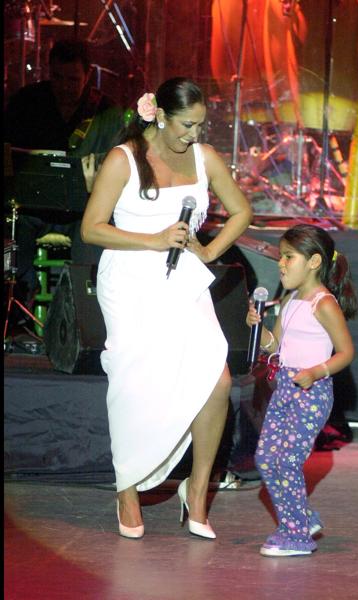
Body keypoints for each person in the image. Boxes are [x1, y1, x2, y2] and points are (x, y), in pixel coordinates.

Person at [80, 77, 253, 539]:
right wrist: (153, 240)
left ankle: (195, 492)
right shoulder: (125, 159)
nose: (193, 135)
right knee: (135, 380)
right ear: (159, 114)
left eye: (200, 125)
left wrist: (210, 252)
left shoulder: (205, 157)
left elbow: (241, 211)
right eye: (186, 125)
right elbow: (92, 229)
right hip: (130, 280)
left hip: (183, 280)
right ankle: (128, 488)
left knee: (217, 380)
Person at [246, 223, 358, 556]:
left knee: (288, 461)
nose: (280, 263)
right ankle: (302, 517)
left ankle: (296, 536)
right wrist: (260, 329)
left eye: (288, 257)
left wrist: (316, 371)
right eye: (281, 256)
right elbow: (275, 346)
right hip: (284, 388)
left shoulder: (324, 304)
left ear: (313, 262)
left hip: (311, 393)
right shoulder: (291, 299)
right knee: (266, 459)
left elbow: (346, 351)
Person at [4, 39, 125, 306]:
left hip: (84, 214)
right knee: (12, 250)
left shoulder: (108, 113)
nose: (65, 87)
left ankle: (83, 318)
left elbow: (124, 166)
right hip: (30, 212)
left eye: (73, 79)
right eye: (57, 78)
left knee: (93, 260)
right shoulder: (26, 102)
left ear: (88, 75)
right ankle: (18, 314)